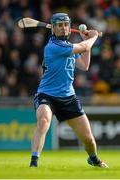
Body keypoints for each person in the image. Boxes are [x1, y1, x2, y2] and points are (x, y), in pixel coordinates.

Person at [29, 13, 109, 168]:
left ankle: (93, 159)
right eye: (59, 25)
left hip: (68, 98)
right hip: (47, 95)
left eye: (65, 24)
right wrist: (93, 37)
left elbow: (84, 65)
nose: (64, 28)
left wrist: (86, 40)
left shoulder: (69, 46)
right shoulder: (54, 46)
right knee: (44, 121)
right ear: (53, 28)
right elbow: (85, 47)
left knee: (89, 140)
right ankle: (34, 162)